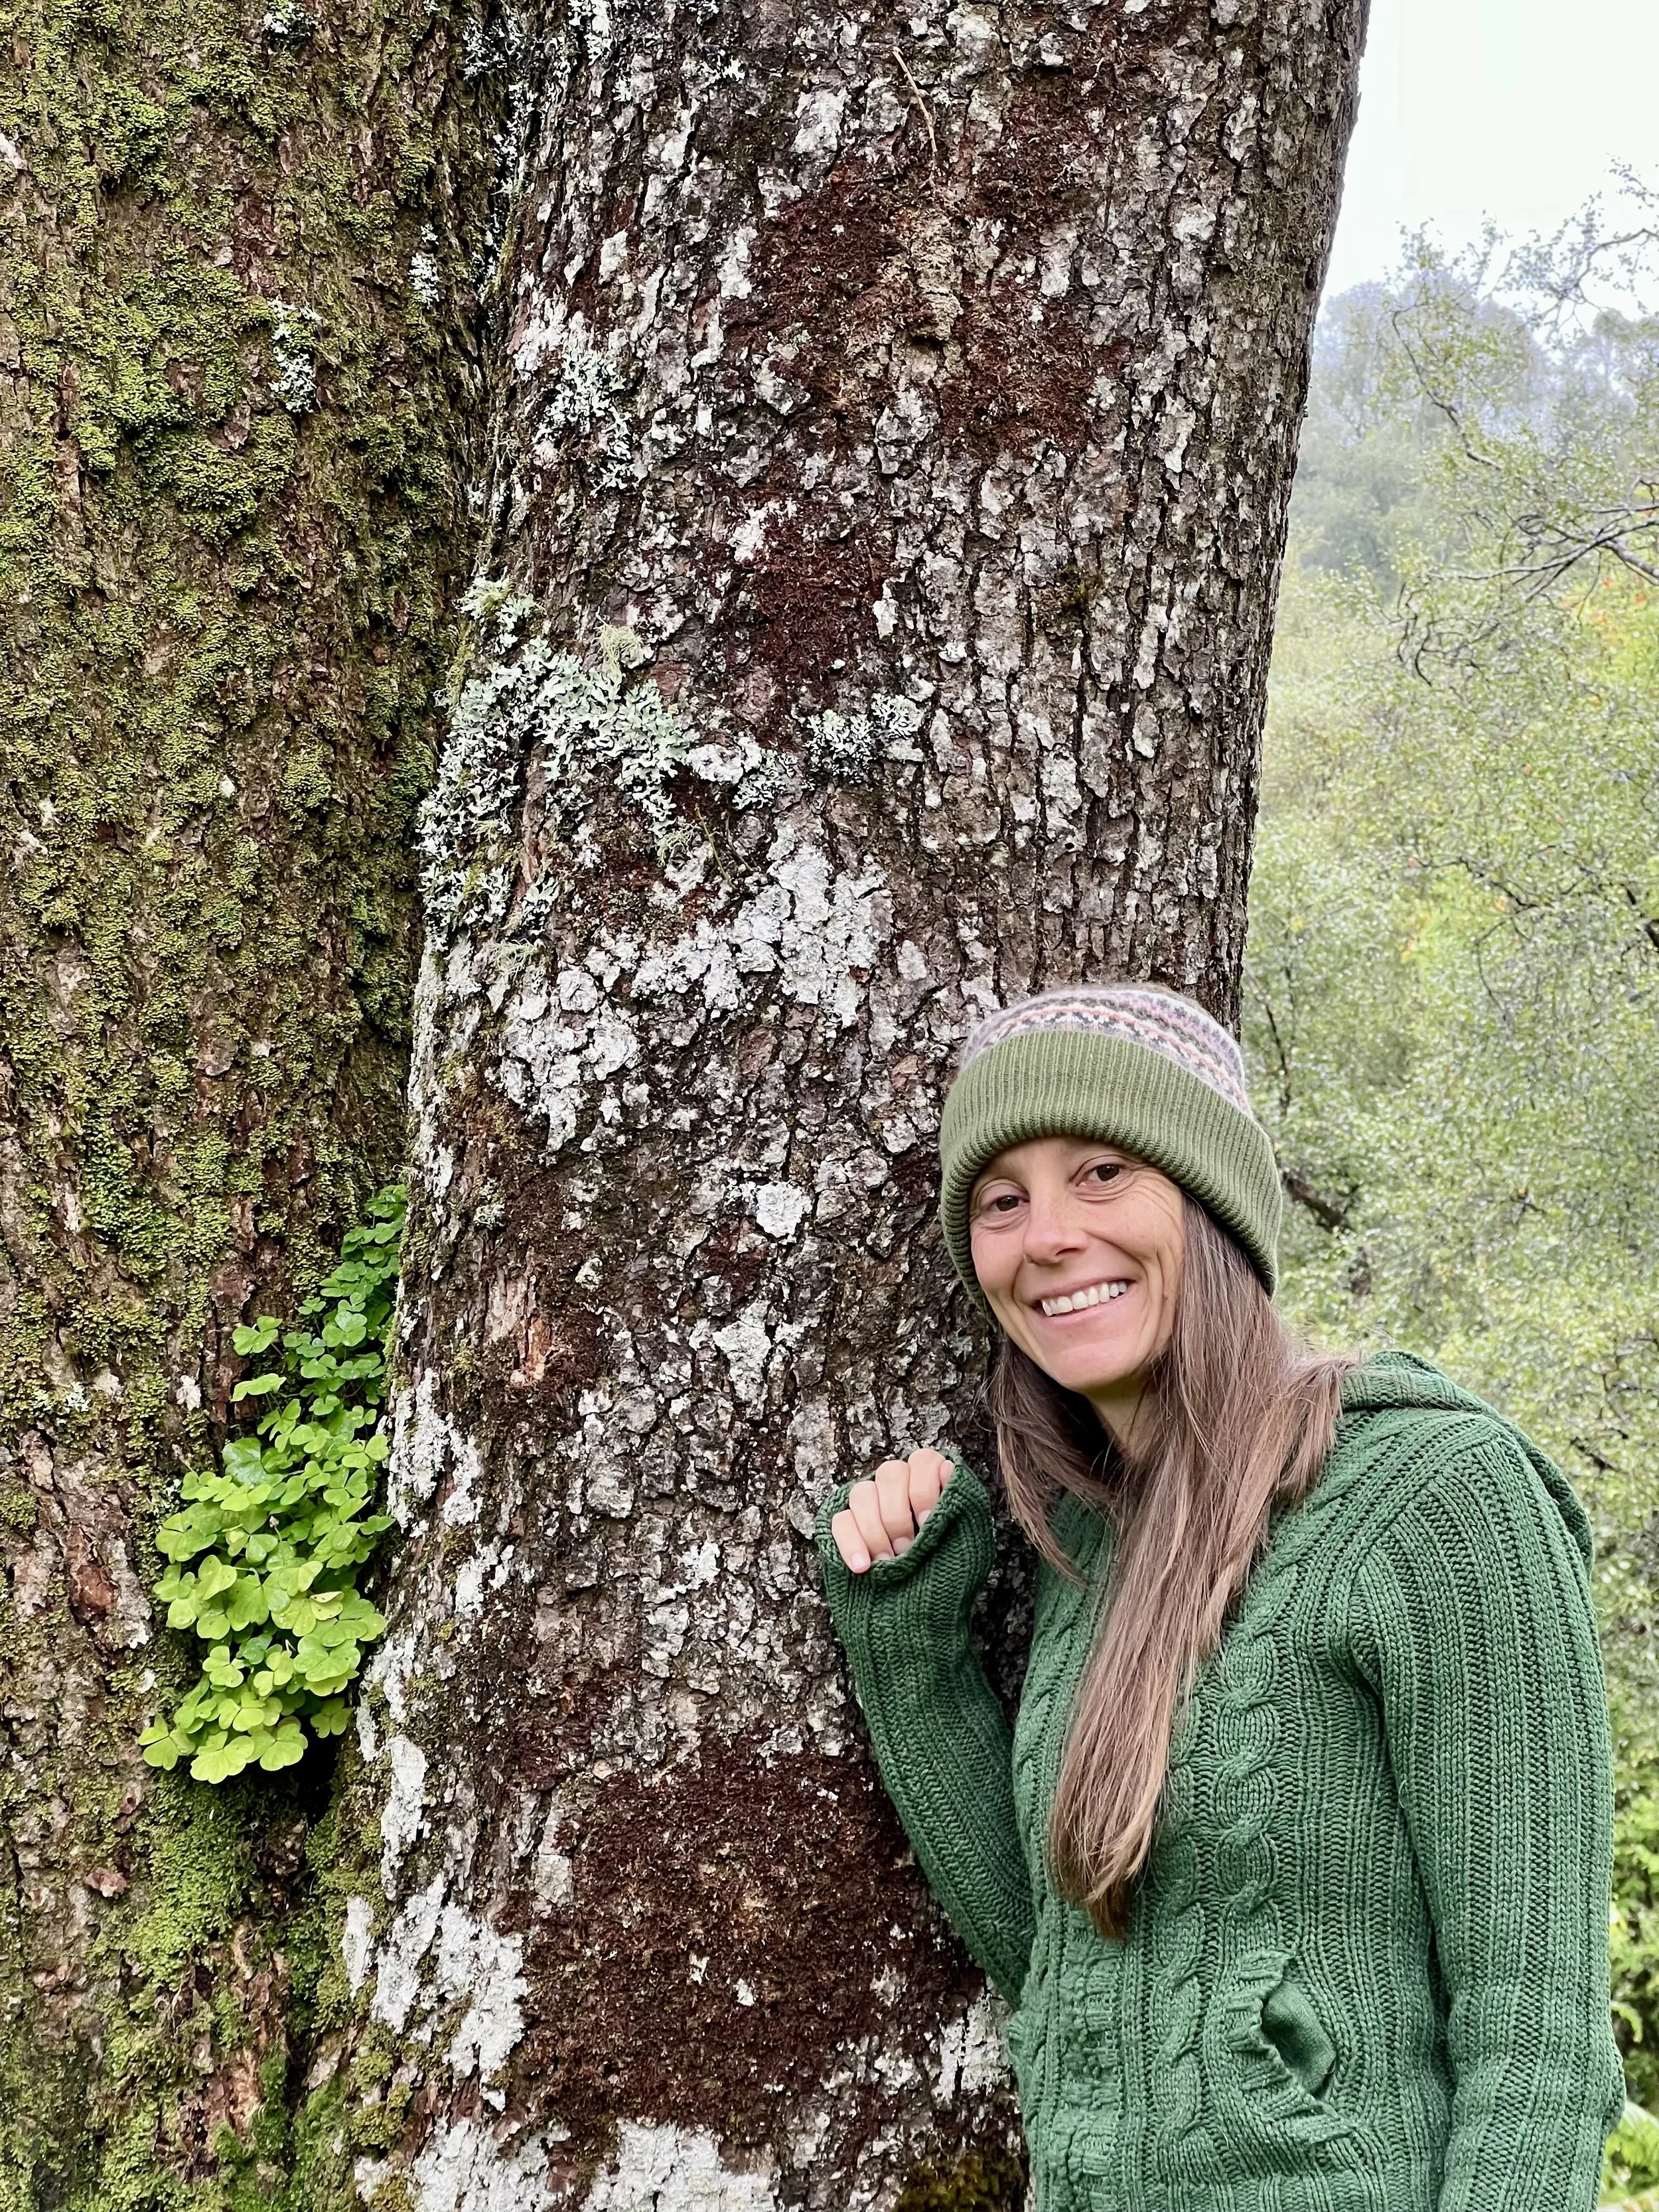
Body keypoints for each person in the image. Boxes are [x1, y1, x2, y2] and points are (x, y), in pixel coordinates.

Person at [816, 983, 1624, 2211]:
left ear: (1211, 1202)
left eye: (1101, 1174)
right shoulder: (1092, 1542)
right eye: (1001, 1198)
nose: (1046, 1237)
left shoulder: (1434, 1495)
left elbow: (1540, 2051)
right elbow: (1063, 1967)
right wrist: (912, 1648)